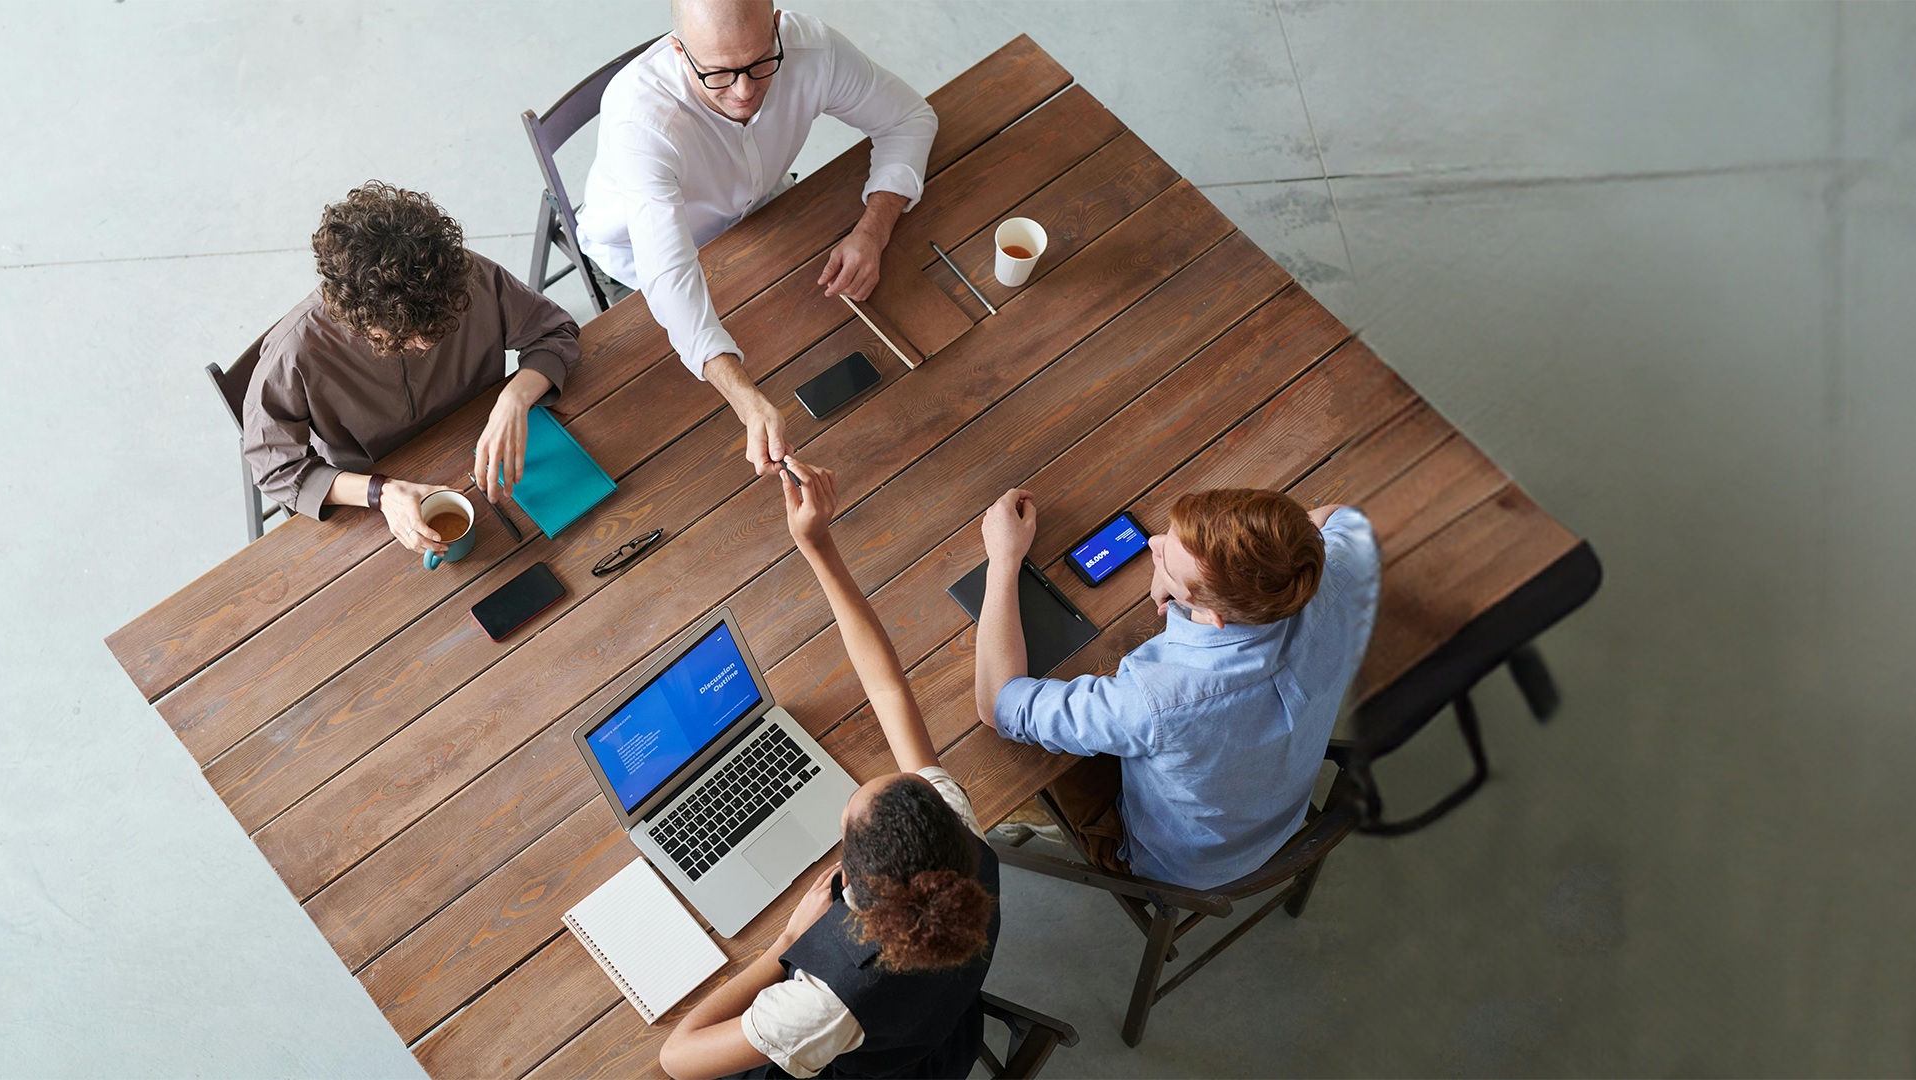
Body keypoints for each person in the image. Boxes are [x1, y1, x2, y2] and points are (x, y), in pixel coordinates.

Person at [660, 458, 1001, 1080]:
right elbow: (891, 691)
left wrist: (786, 944)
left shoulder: (825, 1000)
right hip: (943, 1030)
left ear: (853, 890)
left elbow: (676, 1058)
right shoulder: (966, 845)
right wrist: (817, 545)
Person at [578, 0, 937, 477]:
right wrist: (747, 401)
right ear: (679, 51)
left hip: (763, 212)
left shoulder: (812, 48)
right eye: (720, 74)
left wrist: (873, 230)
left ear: (777, 25)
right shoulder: (641, 121)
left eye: (760, 63)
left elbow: (909, 118)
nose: (745, 92)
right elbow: (670, 278)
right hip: (635, 256)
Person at [965, 487, 1377, 891]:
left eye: (1166, 557)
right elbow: (1343, 514)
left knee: (1018, 761)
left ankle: (1032, 815)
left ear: (1214, 614)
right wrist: (1205, 584)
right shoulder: (1336, 575)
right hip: (1279, 812)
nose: (1153, 542)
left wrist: (1004, 558)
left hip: (1174, 867)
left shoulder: (1154, 699)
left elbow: (999, 702)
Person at [241, 182, 586, 553]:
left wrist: (515, 398)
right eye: (405, 334)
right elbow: (273, 466)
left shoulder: (465, 277)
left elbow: (554, 331)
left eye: (438, 322)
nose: (426, 343)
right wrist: (380, 492)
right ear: (356, 317)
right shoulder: (295, 350)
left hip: (493, 461)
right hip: (377, 510)